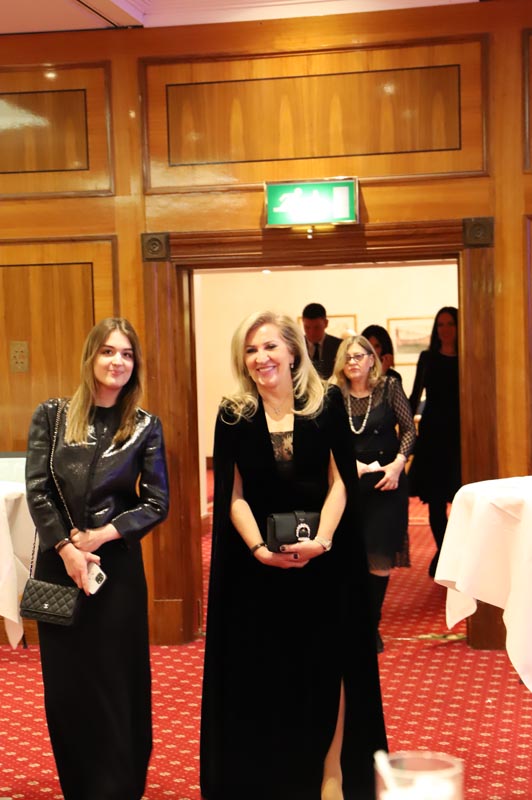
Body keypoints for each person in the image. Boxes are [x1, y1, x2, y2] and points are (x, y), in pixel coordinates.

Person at [200, 311, 387, 800]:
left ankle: (332, 773)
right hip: (257, 568)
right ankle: (276, 776)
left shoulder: (325, 402)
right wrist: (259, 549)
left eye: (269, 347)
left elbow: (341, 481)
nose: (260, 358)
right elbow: (232, 495)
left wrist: (322, 540)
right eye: (250, 350)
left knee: (330, 664)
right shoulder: (233, 413)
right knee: (269, 671)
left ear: (291, 351)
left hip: (325, 561)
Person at [25, 317, 169, 800]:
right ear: (90, 357)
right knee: (67, 686)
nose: (117, 361)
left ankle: (120, 786)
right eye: (108, 351)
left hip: (115, 569)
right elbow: (38, 489)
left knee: (116, 681)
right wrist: (67, 548)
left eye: (127, 354)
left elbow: (156, 502)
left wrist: (100, 536)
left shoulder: (145, 425)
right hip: (58, 565)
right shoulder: (51, 416)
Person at [330, 335, 416, 653]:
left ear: (371, 360)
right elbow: (325, 438)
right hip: (347, 484)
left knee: (378, 556)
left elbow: (408, 429)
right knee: (349, 556)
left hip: (386, 483)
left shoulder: (389, 387)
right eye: (347, 357)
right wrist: (345, 464)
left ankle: (370, 626)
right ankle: (351, 623)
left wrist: (397, 465)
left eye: (359, 356)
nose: (353, 362)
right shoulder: (333, 394)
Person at [408, 306, 461, 577]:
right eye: (440, 324)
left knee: (461, 499)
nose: (445, 329)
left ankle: (450, 555)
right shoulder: (427, 357)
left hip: (461, 435)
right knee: (436, 501)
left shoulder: (467, 356)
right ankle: (444, 552)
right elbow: (415, 394)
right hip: (432, 436)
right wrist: (404, 430)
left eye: (450, 323)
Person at [302, 301, 342, 379]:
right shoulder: (296, 346)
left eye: (317, 327)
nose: (312, 332)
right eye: (307, 327)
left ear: (326, 323)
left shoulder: (339, 346)